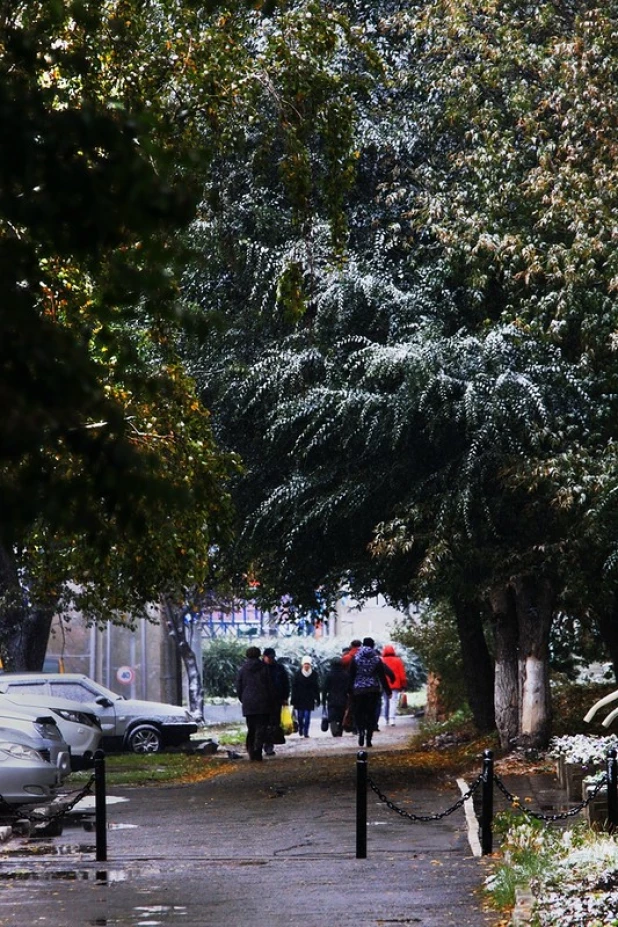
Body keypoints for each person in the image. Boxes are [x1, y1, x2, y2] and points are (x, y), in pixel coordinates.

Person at [236, 646, 278, 761]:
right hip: (263, 703)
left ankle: (251, 751)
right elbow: (270, 686)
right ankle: (257, 751)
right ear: (259, 655)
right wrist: (271, 701)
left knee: (251, 728)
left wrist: (243, 699)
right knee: (261, 728)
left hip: (248, 703)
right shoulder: (264, 668)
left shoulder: (243, 670)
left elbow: (239, 687)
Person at [349, 637, 391, 748]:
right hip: (373, 689)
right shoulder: (376, 659)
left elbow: (351, 675)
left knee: (359, 713)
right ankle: (369, 738)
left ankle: (361, 731)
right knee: (371, 714)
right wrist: (388, 691)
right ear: (373, 646)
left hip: (358, 690)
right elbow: (382, 676)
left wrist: (349, 690)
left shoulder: (356, 658)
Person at [262, 647, 290, 756]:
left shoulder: (279, 668)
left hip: (276, 700)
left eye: (272, 657)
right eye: (269, 657)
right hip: (264, 701)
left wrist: (285, 697)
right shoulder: (261, 669)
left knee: (274, 723)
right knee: (265, 723)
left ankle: (269, 744)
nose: (270, 659)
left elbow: (285, 684)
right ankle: (266, 744)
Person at [291, 655, 320, 738]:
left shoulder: (314, 674)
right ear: (302, 664)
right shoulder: (297, 674)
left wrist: (317, 698)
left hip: (309, 698)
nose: (306, 665)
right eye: (305, 664)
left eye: (308, 664)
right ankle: (301, 728)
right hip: (299, 698)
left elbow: (316, 687)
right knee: (300, 716)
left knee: (307, 716)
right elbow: (294, 687)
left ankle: (306, 732)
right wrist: (293, 699)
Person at [322, 656, 350, 737]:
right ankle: (340, 731)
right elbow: (349, 688)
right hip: (343, 699)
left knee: (332, 717)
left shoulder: (329, 675)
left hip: (332, 699)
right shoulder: (345, 675)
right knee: (341, 717)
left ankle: (334, 731)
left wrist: (323, 701)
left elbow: (325, 689)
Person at [381, 644, 407, 726]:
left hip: (384, 684)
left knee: (385, 702)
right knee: (393, 702)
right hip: (394, 684)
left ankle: (386, 719)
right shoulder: (398, 661)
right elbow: (402, 674)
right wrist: (403, 684)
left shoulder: (381, 660)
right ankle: (392, 719)